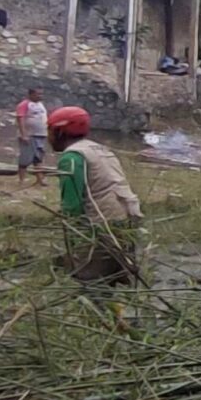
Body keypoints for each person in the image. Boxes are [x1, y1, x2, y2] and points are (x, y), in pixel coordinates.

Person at [49, 105, 143, 283]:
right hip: (125, 223)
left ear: (60, 131)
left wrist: (75, 243)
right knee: (114, 281)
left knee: (90, 283)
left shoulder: (71, 158)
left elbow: (72, 206)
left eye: (51, 131)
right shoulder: (100, 150)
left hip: (101, 227)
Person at [13, 88, 52, 185]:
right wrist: (24, 134)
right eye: (37, 94)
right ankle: (21, 180)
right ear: (31, 94)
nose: (40, 96)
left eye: (41, 94)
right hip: (30, 135)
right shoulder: (25, 104)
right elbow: (20, 118)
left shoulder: (41, 105)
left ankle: (40, 179)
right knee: (25, 158)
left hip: (41, 134)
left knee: (38, 158)